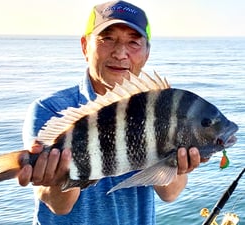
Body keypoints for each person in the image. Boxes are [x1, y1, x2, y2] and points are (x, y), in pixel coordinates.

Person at [18, 1, 205, 224]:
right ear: (85, 46)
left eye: (133, 42)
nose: (120, 53)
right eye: (107, 39)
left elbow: (170, 193)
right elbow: (59, 206)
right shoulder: (52, 110)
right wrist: (56, 178)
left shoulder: (160, 109)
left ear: (146, 53)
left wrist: (177, 163)